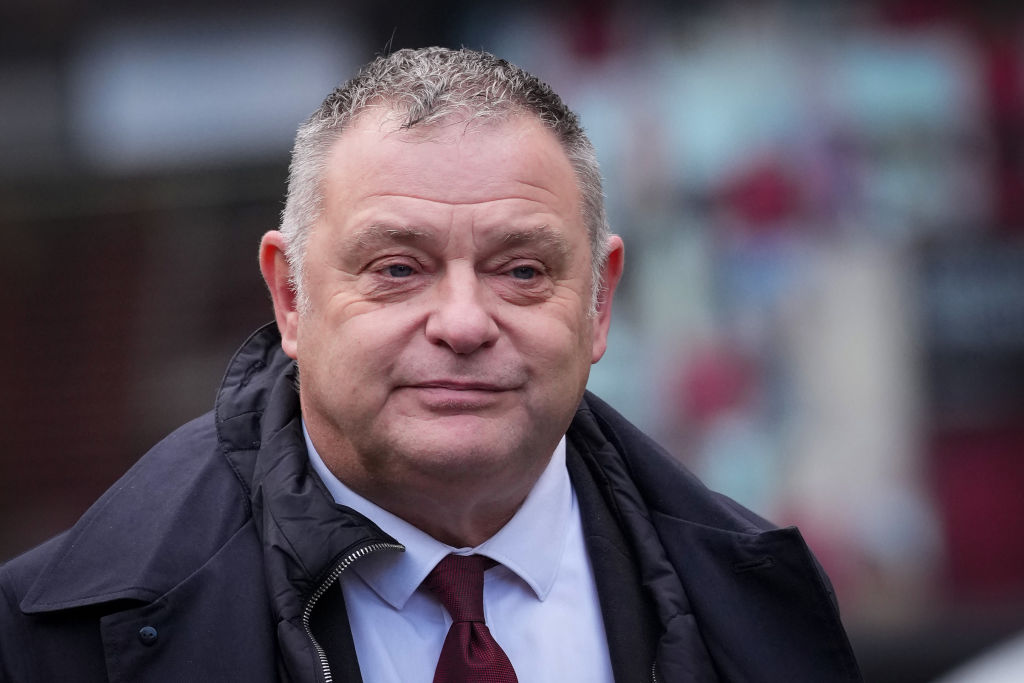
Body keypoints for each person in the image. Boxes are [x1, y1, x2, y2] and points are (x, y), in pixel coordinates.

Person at [0, 47, 862, 682]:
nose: (462, 322)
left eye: (521, 270)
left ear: (598, 302)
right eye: (397, 268)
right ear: (291, 295)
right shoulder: (53, 643)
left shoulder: (764, 605)